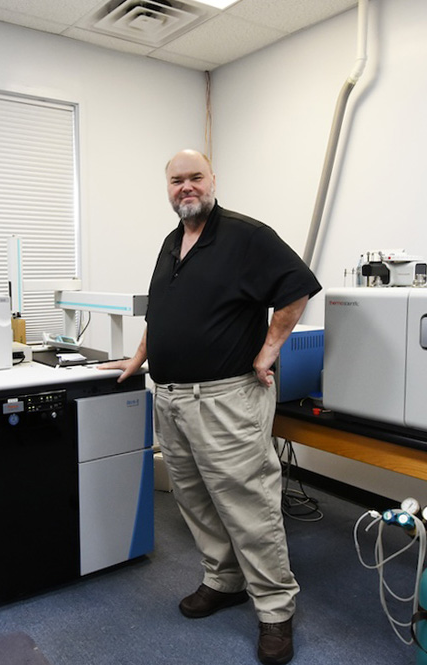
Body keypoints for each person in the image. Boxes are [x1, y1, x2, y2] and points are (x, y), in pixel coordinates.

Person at [101, 149, 321, 665]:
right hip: (173, 398)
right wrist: (137, 359)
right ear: (168, 188)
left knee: (249, 507)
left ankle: (274, 609)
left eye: (194, 177)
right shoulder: (171, 243)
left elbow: (298, 288)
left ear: (213, 180)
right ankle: (223, 580)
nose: (186, 187)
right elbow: (164, 313)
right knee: (194, 498)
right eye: (176, 180)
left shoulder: (246, 236)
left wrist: (269, 350)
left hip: (226, 400)